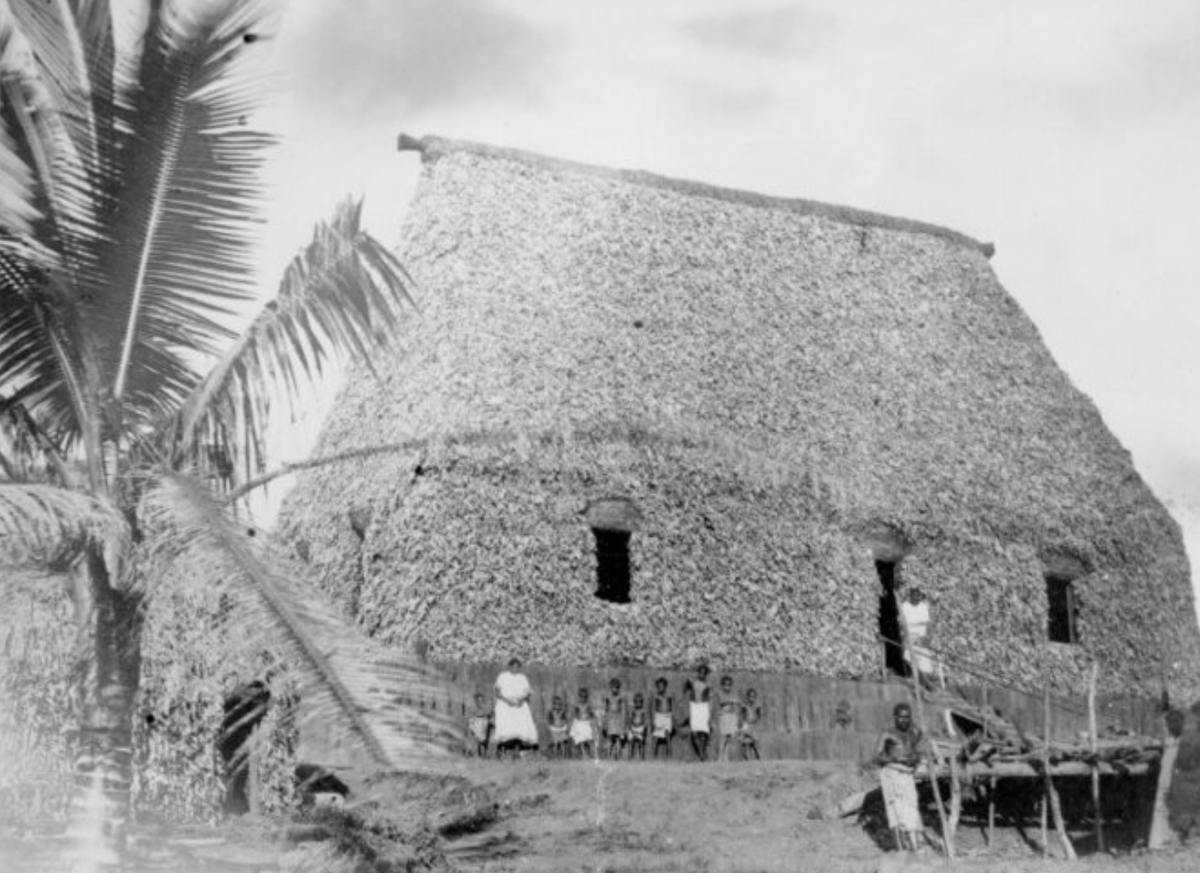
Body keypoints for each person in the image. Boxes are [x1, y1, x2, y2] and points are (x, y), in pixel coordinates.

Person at [875, 703, 929, 852]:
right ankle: (900, 851)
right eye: (901, 717)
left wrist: (915, 758)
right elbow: (876, 757)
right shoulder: (887, 734)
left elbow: (919, 748)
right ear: (895, 717)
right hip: (891, 775)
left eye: (907, 717)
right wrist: (896, 760)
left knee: (911, 810)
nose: (904, 720)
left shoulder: (913, 734)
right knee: (895, 814)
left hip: (907, 776)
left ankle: (915, 847)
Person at [493, 657, 538, 759]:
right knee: (506, 727)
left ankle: (517, 751)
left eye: (517, 667)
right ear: (509, 666)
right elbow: (497, 692)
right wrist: (507, 701)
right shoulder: (503, 676)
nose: (515, 669)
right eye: (513, 666)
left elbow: (527, 692)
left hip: (519, 705)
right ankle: (501, 750)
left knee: (519, 728)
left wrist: (521, 701)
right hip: (505, 704)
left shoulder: (522, 677)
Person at [899, 587, 938, 688]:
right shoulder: (905, 606)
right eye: (914, 595)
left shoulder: (923, 606)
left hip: (921, 638)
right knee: (909, 658)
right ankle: (918, 681)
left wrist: (925, 638)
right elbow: (902, 624)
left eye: (918, 596)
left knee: (924, 659)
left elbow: (927, 624)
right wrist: (907, 637)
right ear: (910, 596)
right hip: (910, 637)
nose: (917, 598)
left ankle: (924, 681)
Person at [684, 664, 713, 762]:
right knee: (695, 732)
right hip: (694, 706)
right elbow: (686, 686)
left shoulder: (708, 685)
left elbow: (709, 699)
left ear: (706, 674)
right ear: (698, 673)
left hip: (704, 707)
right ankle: (701, 753)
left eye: (704, 673)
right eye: (700, 672)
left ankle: (702, 751)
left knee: (704, 732)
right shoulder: (693, 682)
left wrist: (709, 711)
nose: (702, 675)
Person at [603, 678, 628, 760]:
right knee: (610, 739)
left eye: (617, 688)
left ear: (619, 688)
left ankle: (618, 756)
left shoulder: (621, 698)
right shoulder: (608, 698)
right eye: (613, 687)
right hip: (610, 719)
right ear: (610, 687)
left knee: (618, 739)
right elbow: (606, 710)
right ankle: (608, 756)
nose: (615, 689)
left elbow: (623, 711)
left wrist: (623, 725)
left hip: (618, 719)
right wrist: (605, 722)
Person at [716, 675, 740, 761]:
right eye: (725, 685)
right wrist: (732, 701)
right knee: (723, 737)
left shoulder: (732, 694)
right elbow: (722, 701)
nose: (727, 687)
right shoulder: (720, 693)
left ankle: (726, 757)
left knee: (729, 737)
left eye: (729, 685)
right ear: (722, 685)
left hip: (731, 716)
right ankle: (720, 756)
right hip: (724, 716)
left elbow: (736, 703)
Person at [570, 687, 597, 759]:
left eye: (585, 697)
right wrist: (575, 722)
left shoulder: (588, 705)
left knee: (589, 739)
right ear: (579, 696)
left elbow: (592, 714)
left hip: (587, 723)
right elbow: (574, 714)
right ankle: (584, 754)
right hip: (579, 723)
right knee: (581, 740)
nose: (583, 698)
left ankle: (591, 754)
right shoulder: (577, 705)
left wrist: (593, 720)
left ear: (587, 697)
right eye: (582, 696)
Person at [652, 677, 675, 759]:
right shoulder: (656, 697)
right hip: (659, 716)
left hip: (667, 716)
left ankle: (669, 757)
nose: (660, 688)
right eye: (658, 686)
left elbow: (672, 707)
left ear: (665, 687)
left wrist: (672, 719)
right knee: (656, 737)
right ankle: (653, 757)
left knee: (668, 737)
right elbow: (654, 708)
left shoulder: (670, 696)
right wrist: (654, 721)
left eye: (662, 686)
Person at [466, 692, 492, 758]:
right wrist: (471, 726)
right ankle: (473, 752)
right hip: (476, 724)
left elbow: (487, 717)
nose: (479, 702)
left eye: (481, 701)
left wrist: (486, 720)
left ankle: (483, 752)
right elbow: (471, 719)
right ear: (475, 701)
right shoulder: (473, 709)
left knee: (483, 738)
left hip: (483, 724)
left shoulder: (485, 709)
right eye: (478, 701)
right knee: (475, 737)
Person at [739, 688, 762, 761]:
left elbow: (759, 716)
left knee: (754, 742)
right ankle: (746, 757)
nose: (752, 698)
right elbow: (742, 715)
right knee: (744, 742)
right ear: (747, 697)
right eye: (750, 697)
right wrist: (742, 724)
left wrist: (757, 722)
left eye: (753, 697)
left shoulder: (757, 707)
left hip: (753, 725)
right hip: (746, 725)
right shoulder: (745, 707)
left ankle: (758, 756)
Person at [547, 695, 571, 759]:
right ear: (553, 704)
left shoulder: (562, 711)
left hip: (561, 729)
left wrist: (565, 725)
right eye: (556, 704)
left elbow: (565, 719)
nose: (558, 706)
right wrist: (550, 726)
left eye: (559, 704)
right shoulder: (551, 712)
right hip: (554, 729)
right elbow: (549, 720)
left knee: (562, 743)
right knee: (555, 743)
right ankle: (555, 756)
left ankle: (563, 756)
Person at [627, 692, 649, 760]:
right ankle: (630, 757)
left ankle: (642, 758)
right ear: (634, 702)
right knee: (631, 743)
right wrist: (630, 727)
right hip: (633, 727)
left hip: (640, 728)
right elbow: (629, 719)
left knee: (641, 744)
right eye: (636, 702)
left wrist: (644, 729)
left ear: (642, 702)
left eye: (639, 702)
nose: (638, 703)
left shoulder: (644, 710)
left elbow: (645, 720)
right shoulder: (632, 710)